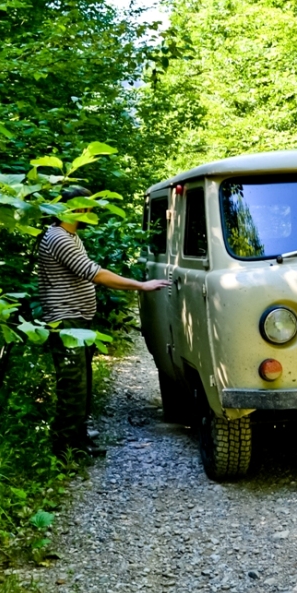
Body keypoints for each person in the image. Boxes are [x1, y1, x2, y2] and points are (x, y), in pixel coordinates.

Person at [38, 185, 169, 451]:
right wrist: (140, 285)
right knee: (73, 387)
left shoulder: (69, 236)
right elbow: (95, 273)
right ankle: (66, 448)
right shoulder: (59, 238)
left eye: (88, 206)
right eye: (81, 206)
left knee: (82, 383)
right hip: (66, 322)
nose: (86, 211)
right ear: (68, 208)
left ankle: (78, 435)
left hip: (77, 321)